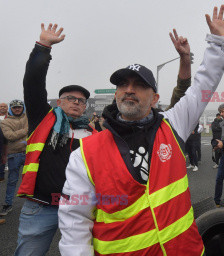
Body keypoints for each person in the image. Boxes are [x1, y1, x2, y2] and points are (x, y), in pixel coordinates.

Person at [58, 5, 224, 255]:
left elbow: (203, 85)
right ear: (116, 94)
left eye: (139, 85)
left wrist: (217, 42)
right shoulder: (84, 155)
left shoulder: (173, 124)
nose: (130, 89)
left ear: (154, 98)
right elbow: (74, 225)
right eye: (123, 84)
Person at [15, 21, 192, 256]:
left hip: (88, 208)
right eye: (70, 98)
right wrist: (43, 48)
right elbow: (32, 85)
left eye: (81, 100)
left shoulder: (95, 133)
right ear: (59, 102)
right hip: (43, 206)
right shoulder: (43, 121)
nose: (76, 103)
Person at [0, 100, 28, 216]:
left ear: (22, 108)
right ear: (11, 108)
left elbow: (14, 135)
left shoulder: (28, 117)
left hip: (29, 154)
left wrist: (18, 134)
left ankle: (35, 204)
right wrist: (26, 130)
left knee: (33, 179)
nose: (17, 109)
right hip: (14, 155)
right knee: (12, 181)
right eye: (15, 107)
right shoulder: (4, 122)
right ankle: (8, 204)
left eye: (19, 107)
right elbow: (9, 136)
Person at [0, 102, 8, 182]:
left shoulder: (10, 116)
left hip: (9, 140)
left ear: (7, 108)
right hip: (1, 140)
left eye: (4, 106)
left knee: (4, 156)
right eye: (1, 106)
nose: (2, 108)